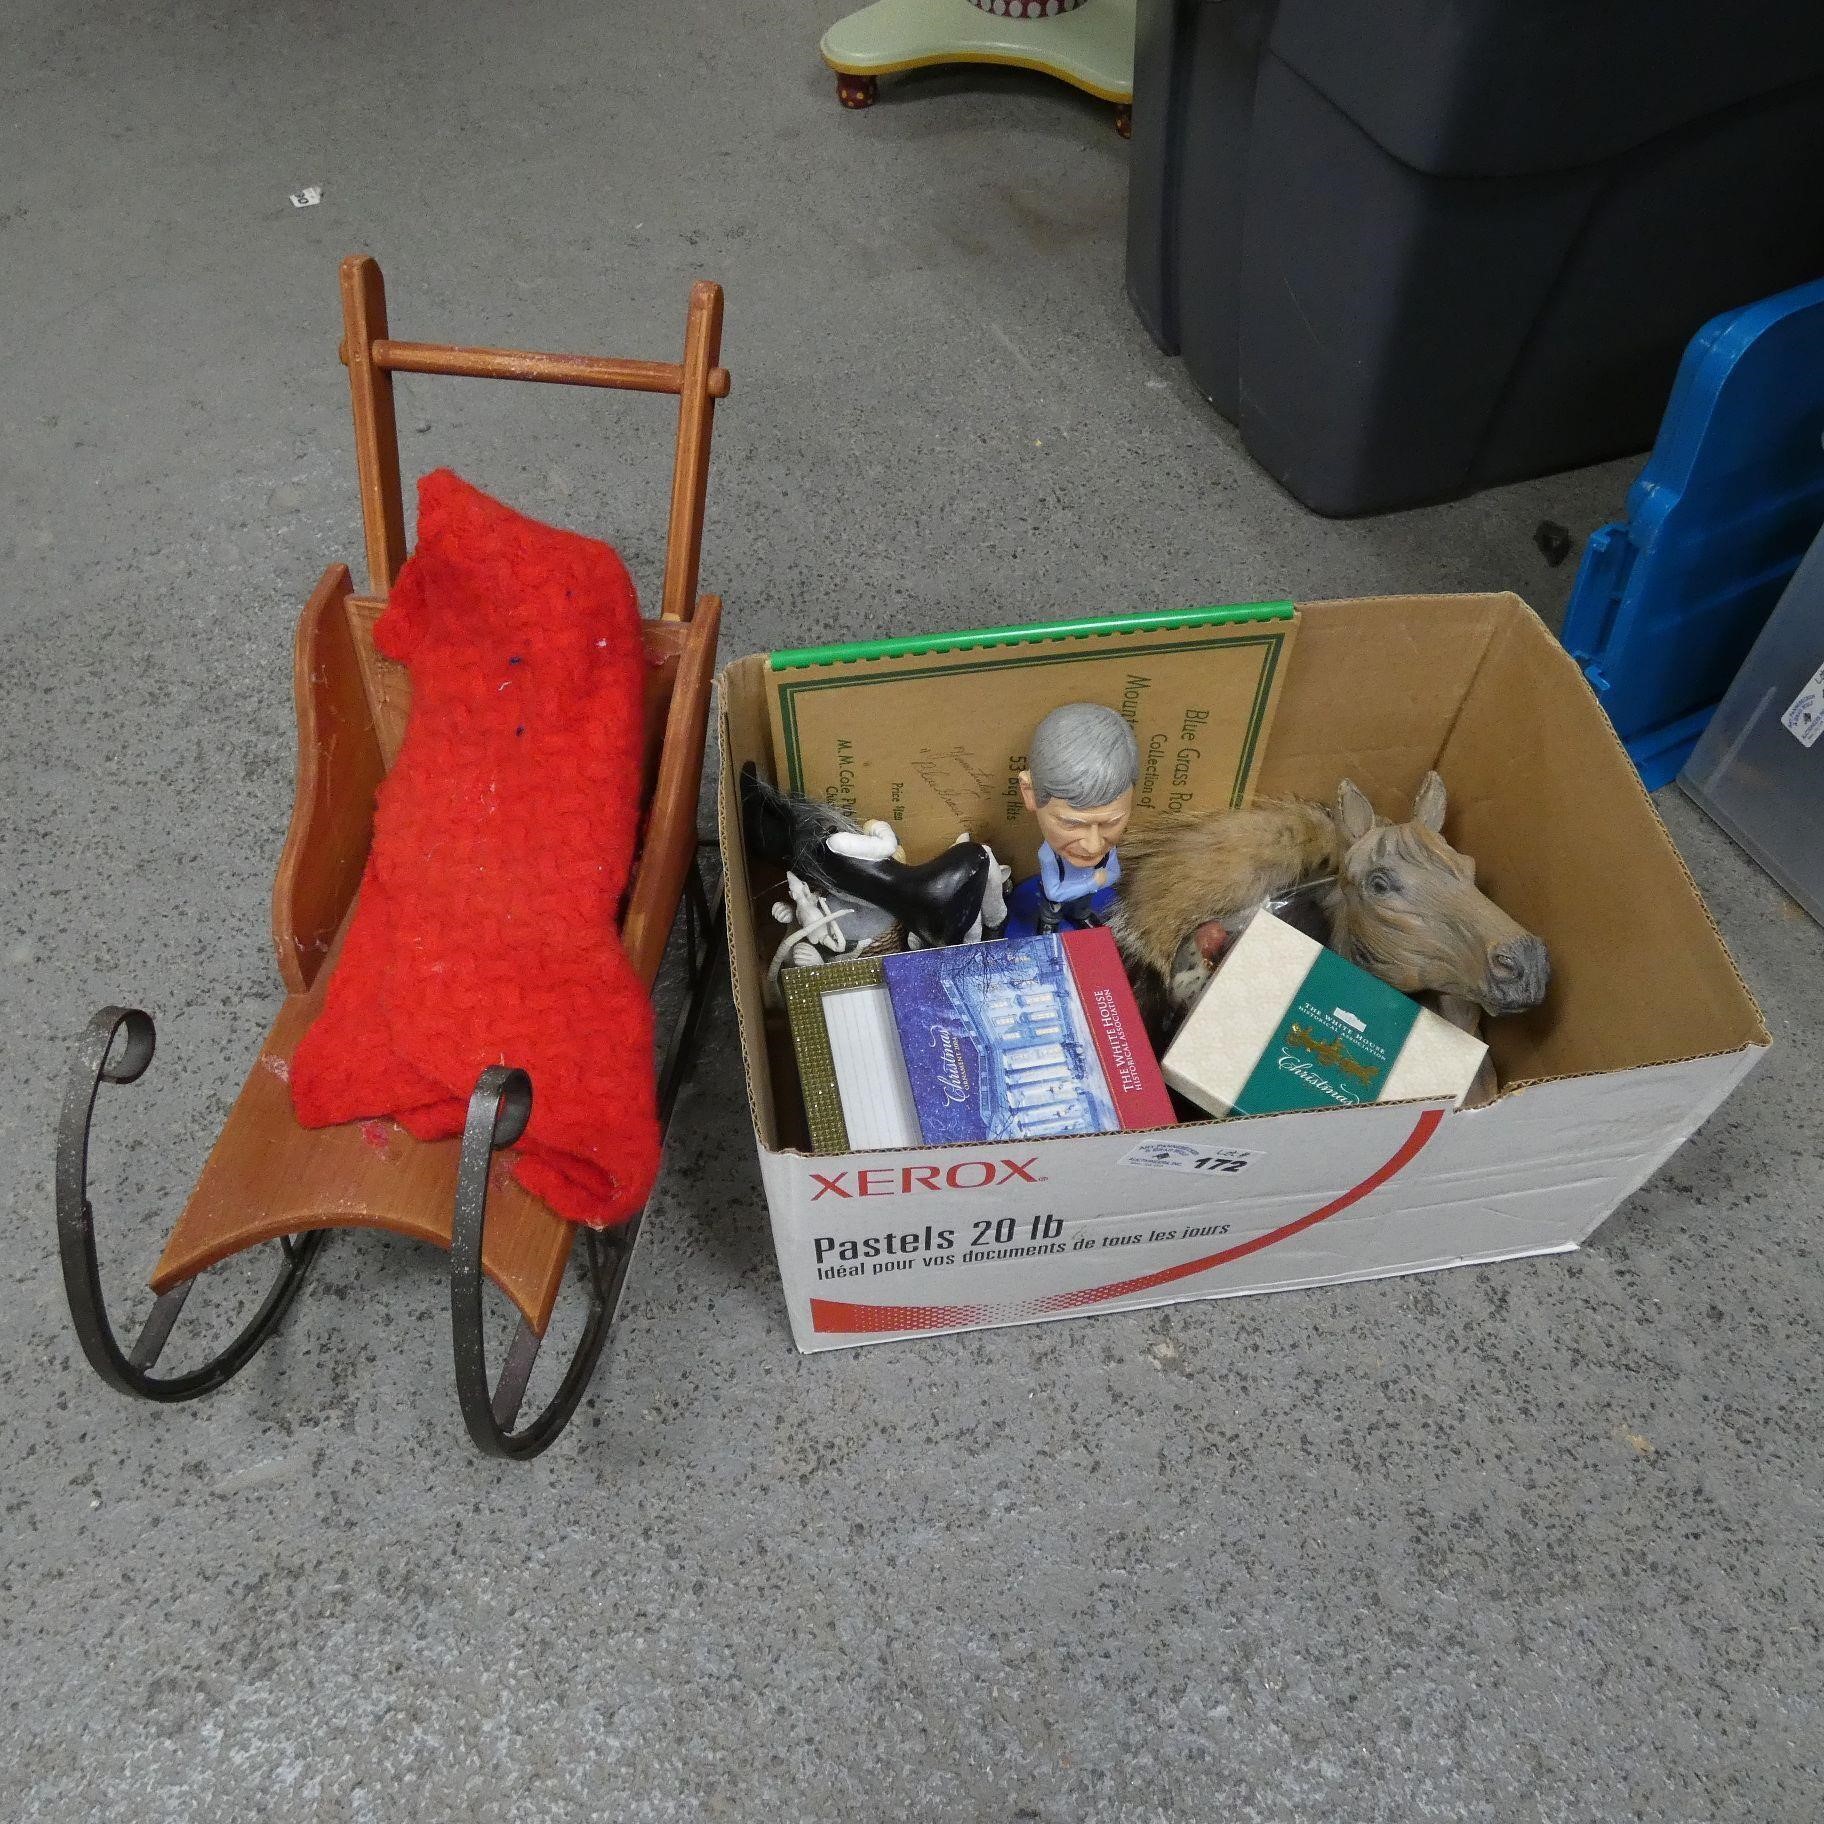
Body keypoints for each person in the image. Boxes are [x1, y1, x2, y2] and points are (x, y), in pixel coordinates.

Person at [1009, 703, 1139, 936]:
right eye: (1071, 824)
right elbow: (1055, 892)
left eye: (1110, 823)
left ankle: (1081, 915)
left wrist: (1094, 884)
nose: (1093, 845)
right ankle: (1049, 927)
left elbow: (1114, 873)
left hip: (1085, 898)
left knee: (1083, 910)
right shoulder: (1050, 857)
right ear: (1029, 793)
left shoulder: (1106, 849)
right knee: (1050, 916)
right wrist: (1094, 882)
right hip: (1056, 903)